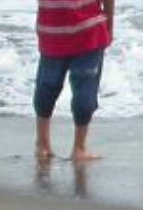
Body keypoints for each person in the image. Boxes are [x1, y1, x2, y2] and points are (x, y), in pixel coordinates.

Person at [33, 0, 115, 162]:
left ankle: (42, 143)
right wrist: (109, 24)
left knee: (47, 84)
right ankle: (79, 147)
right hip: (88, 30)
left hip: (52, 28)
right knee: (85, 88)